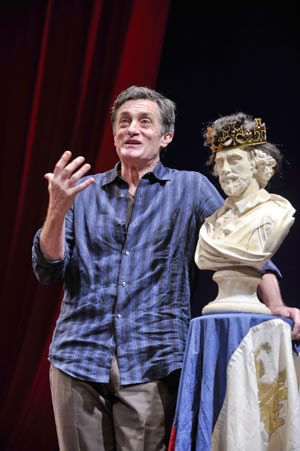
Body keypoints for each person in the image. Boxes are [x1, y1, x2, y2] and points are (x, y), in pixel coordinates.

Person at [32, 87, 300, 451]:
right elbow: (48, 268)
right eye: (124, 122)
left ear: (166, 137)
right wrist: (57, 210)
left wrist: (275, 305)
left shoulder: (190, 188)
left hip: (151, 360)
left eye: (145, 122)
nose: (132, 129)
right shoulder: (84, 192)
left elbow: (245, 250)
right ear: (114, 135)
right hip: (78, 359)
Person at [194, 112, 296, 314]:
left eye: (234, 159)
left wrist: (275, 303)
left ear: (256, 165)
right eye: (220, 162)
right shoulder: (212, 222)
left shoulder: (275, 213)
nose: (224, 169)